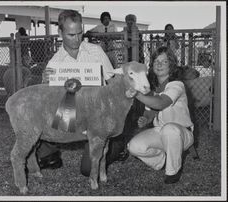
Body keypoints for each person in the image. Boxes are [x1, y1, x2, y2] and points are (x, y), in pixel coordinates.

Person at [38, 10, 129, 176]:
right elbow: (48, 100)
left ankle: (117, 143)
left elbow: (112, 82)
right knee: (42, 116)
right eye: (71, 35)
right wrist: (46, 82)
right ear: (60, 33)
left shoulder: (96, 52)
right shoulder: (55, 63)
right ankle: (50, 152)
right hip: (72, 116)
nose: (77, 39)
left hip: (98, 115)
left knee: (88, 170)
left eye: (80, 33)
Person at [127, 46, 194, 184]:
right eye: (156, 61)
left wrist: (137, 94)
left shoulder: (176, 85)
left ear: (172, 65)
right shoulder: (153, 88)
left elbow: (161, 103)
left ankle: (172, 171)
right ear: (152, 65)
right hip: (160, 131)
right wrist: (146, 119)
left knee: (170, 129)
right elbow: (151, 110)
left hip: (181, 134)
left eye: (164, 61)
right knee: (133, 146)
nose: (159, 64)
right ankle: (160, 160)